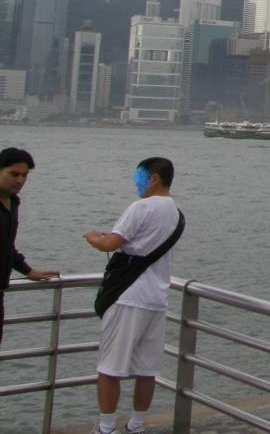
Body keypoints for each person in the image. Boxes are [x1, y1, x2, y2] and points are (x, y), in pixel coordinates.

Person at [84, 157, 181, 434]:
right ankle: (136, 425)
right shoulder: (175, 212)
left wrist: (93, 237)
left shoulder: (141, 207)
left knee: (109, 367)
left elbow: (111, 243)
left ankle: (106, 427)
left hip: (129, 296)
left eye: (139, 177)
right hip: (157, 298)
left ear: (154, 178)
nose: (136, 182)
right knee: (147, 370)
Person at [0, 147, 59, 348]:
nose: (20, 180)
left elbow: (6, 245)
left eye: (25, 175)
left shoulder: (13, 202)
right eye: (13, 174)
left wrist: (27, 270)